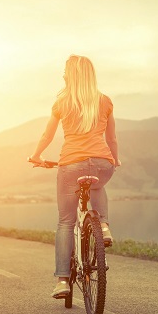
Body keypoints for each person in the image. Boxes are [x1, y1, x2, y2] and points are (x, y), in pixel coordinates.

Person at [29, 54, 120, 299]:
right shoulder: (105, 101)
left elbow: (47, 136)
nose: (63, 75)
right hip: (102, 162)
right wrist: (116, 159)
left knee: (66, 222)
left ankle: (62, 282)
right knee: (98, 186)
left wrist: (36, 155)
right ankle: (103, 225)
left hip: (71, 165)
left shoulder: (62, 103)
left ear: (72, 76)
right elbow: (111, 139)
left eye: (65, 71)